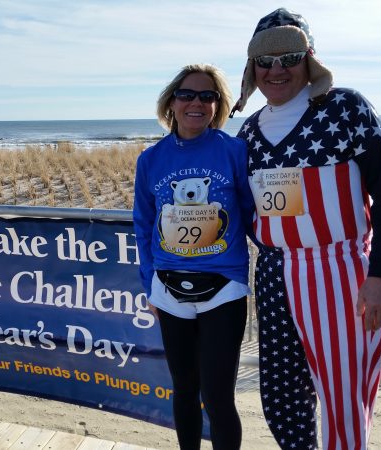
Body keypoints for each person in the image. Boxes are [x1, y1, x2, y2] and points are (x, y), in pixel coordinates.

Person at [230, 8, 381, 449]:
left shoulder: (344, 108)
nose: (276, 70)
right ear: (252, 69)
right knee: (281, 395)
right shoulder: (249, 133)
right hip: (273, 272)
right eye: (264, 61)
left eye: (288, 56)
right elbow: (251, 210)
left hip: (338, 271)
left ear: (309, 59)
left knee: (343, 397)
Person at [133, 64, 254, 450]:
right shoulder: (150, 160)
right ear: (171, 102)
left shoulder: (235, 151)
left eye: (208, 96)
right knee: (184, 390)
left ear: (218, 105)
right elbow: (143, 223)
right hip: (168, 291)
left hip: (225, 290)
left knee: (218, 398)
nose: (196, 103)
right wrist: (149, 283)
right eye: (187, 95)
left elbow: (255, 216)